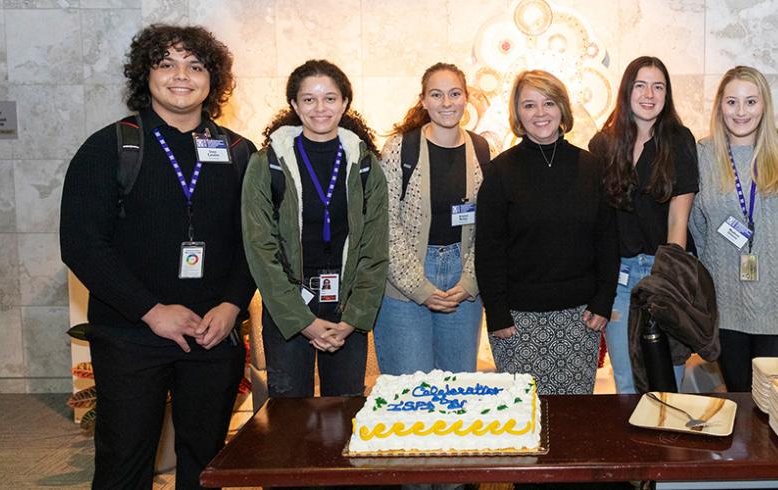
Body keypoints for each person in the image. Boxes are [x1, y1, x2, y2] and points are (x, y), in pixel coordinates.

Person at [60, 24, 256, 488]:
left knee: (206, 462)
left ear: (214, 79)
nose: (181, 75)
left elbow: (255, 242)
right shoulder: (109, 147)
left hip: (212, 333)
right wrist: (151, 311)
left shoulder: (238, 152)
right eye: (166, 64)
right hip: (131, 335)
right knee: (124, 460)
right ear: (144, 75)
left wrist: (231, 304)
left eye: (195, 65)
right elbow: (82, 245)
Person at [242, 59, 388, 398]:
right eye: (309, 99)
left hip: (345, 309)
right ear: (294, 105)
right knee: (289, 419)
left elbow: (375, 249)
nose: (320, 108)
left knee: (345, 412)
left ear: (345, 103)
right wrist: (303, 322)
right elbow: (260, 248)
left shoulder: (365, 165)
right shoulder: (267, 164)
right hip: (289, 307)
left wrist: (352, 319)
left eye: (330, 98)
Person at [475, 69, 619, 395]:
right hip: (517, 321)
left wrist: (602, 301)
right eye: (529, 105)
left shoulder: (592, 167)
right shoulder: (500, 171)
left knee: (576, 424)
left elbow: (607, 241)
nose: (540, 114)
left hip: (580, 319)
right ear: (518, 114)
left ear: (562, 109)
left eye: (548, 103)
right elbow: (488, 249)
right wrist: (496, 314)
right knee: (522, 420)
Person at [688, 66, 778, 392]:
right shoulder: (701, 155)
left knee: (777, 405)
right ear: (719, 105)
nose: (741, 112)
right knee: (740, 400)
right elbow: (696, 227)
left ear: (765, 105)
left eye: (751, 102)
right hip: (725, 307)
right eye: (732, 102)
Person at [587, 56, 698, 394]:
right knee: (626, 382)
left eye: (658, 86)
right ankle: (633, 449)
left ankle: (670, 448)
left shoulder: (679, 140)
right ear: (627, 91)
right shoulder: (602, 145)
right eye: (641, 85)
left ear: (667, 94)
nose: (649, 94)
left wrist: (669, 284)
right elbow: (601, 223)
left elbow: (679, 217)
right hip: (619, 278)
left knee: (667, 381)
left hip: (663, 272)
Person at [374, 62, 489, 376]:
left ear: (467, 98)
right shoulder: (400, 148)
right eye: (436, 95)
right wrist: (420, 287)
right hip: (404, 283)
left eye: (454, 94)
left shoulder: (481, 149)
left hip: (462, 287)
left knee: (458, 389)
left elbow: (489, 228)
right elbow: (384, 225)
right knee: (410, 391)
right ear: (423, 100)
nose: (447, 103)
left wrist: (469, 282)